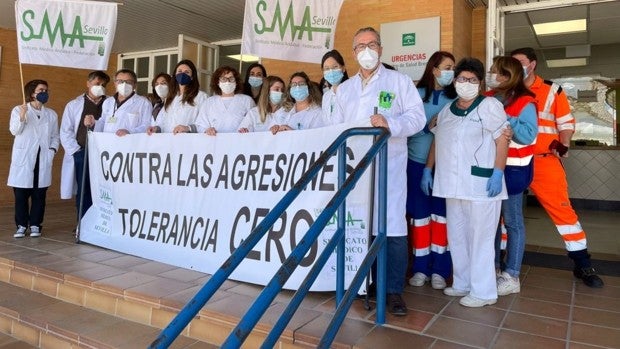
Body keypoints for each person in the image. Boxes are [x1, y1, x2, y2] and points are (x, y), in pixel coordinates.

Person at [331, 27, 426, 316]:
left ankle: (393, 290)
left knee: (392, 226)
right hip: (353, 168)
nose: (367, 50)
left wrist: (390, 123)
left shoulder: (399, 81)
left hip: (389, 165)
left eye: (372, 44)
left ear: (381, 49)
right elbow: (335, 127)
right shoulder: (345, 88)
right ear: (354, 52)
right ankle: (367, 284)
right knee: (360, 225)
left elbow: (418, 118)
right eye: (361, 46)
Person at [511, 47, 604, 288]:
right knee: (506, 216)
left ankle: (582, 263)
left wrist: (563, 144)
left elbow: (565, 123)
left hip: (543, 160)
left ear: (532, 64)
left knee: (563, 211)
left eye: (519, 62)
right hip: (512, 160)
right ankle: (504, 260)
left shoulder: (552, 90)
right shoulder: (506, 89)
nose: (515, 66)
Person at [425, 57, 509, 307]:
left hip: (482, 185)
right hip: (452, 184)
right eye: (462, 78)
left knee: (481, 238)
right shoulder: (448, 110)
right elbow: (436, 138)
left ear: (481, 83)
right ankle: (462, 283)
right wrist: (428, 169)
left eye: (472, 80)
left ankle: (484, 292)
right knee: (458, 236)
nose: (466, 83)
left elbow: (502, 139)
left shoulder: (489, 106)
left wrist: (498, 172)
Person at [485, 56, 538, 296]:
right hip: (488, 169)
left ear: (507, 76)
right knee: (492, 223)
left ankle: (512, 275)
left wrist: (508, 118)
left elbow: (528, 136)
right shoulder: (487, 97)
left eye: (495, 71)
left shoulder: (525, 101)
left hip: (514, 171)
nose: (491, 75)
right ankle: (493, 268)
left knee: (513, 222)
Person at [407, 51, 457, 290]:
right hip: (416, 164)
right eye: (447, 67)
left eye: (453, 68)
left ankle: (440, 270)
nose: (451, 72)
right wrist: (428, 128)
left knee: (441, 219)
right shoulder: (416, 95)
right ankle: (420, 268)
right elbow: (405, 129)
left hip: (445, 166)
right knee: (420, 219)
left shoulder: (455, 97)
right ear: (434, 69)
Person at [8, 79, 60, 238]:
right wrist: (22, 117)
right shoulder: (18, 110)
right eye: (41, 90)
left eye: (46, 90)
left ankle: (36, 224)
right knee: (21, 195)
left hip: (42, 158)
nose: (45, 93)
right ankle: (22, 225)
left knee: (39, 195)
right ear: (32, 93)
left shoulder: (51, 114)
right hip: (24, 159)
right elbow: (14, 131)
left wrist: (52, 150)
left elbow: (55, 136)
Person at [60, 70, 110, 220]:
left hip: (105, 154)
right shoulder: (74, 105)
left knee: (104, 190)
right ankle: (82, 224)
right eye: (96, 84)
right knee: (84, 190)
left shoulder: (110, 104)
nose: (100, 87)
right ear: (88, 84)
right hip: (82, 152)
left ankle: (101, 223)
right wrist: (76, 152)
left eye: (103, 85)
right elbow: (65, 131)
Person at [147, 60, 207, 135]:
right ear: (175, 75)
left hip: (188, 141)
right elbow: (163, 122)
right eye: (179, 71)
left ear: (192, 77)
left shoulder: (201, 96)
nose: (182, 74)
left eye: (187, 72)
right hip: (168, 141)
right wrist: (156, 128)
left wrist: (188, 128)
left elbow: (204, 123)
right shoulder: (170, 97)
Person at [84, 69, 152, 135]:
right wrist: (94, 123)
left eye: (128, 82)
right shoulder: (108, 102)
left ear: (135, 85)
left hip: (130, 143)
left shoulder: (144, 103)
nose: (124, 84)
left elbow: (147, 125)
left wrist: (130, 132)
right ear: (115, 83)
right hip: (108, 142)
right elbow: (103, 122)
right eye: (120, 81)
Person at [196, 66, 255, 135]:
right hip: (214, 142)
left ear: (236, 82)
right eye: (223, 79)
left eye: (231, 79)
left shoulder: (247, 101)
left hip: (240, 143)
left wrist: (248, 129)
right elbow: (200, 125)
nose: (227, 82)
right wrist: (207, 130)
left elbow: (255, 122)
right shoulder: (209, 102)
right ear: (218, 82)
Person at [320, 50, 349, 124]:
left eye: (335, 67)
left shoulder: (351, 90)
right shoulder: (326, 96)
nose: (331, 71)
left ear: (343, 68)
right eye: (327, 68)